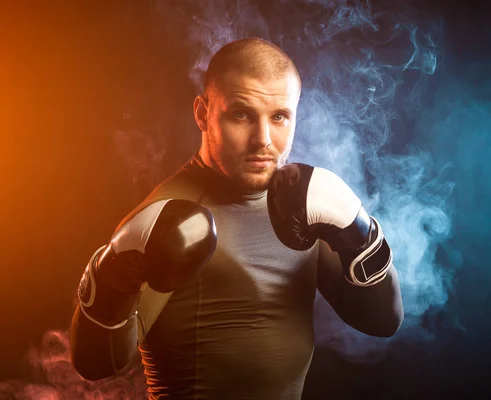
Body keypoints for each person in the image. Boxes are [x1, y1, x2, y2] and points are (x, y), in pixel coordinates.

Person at [70, 37, 404, 399]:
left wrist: (361, 233)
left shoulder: (302, 204)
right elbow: (96, 363)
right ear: (202, 114)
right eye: (241, 115)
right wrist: (111, 279)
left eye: (279, 117)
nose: (263, 139)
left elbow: (381, 321)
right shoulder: (171, 218)